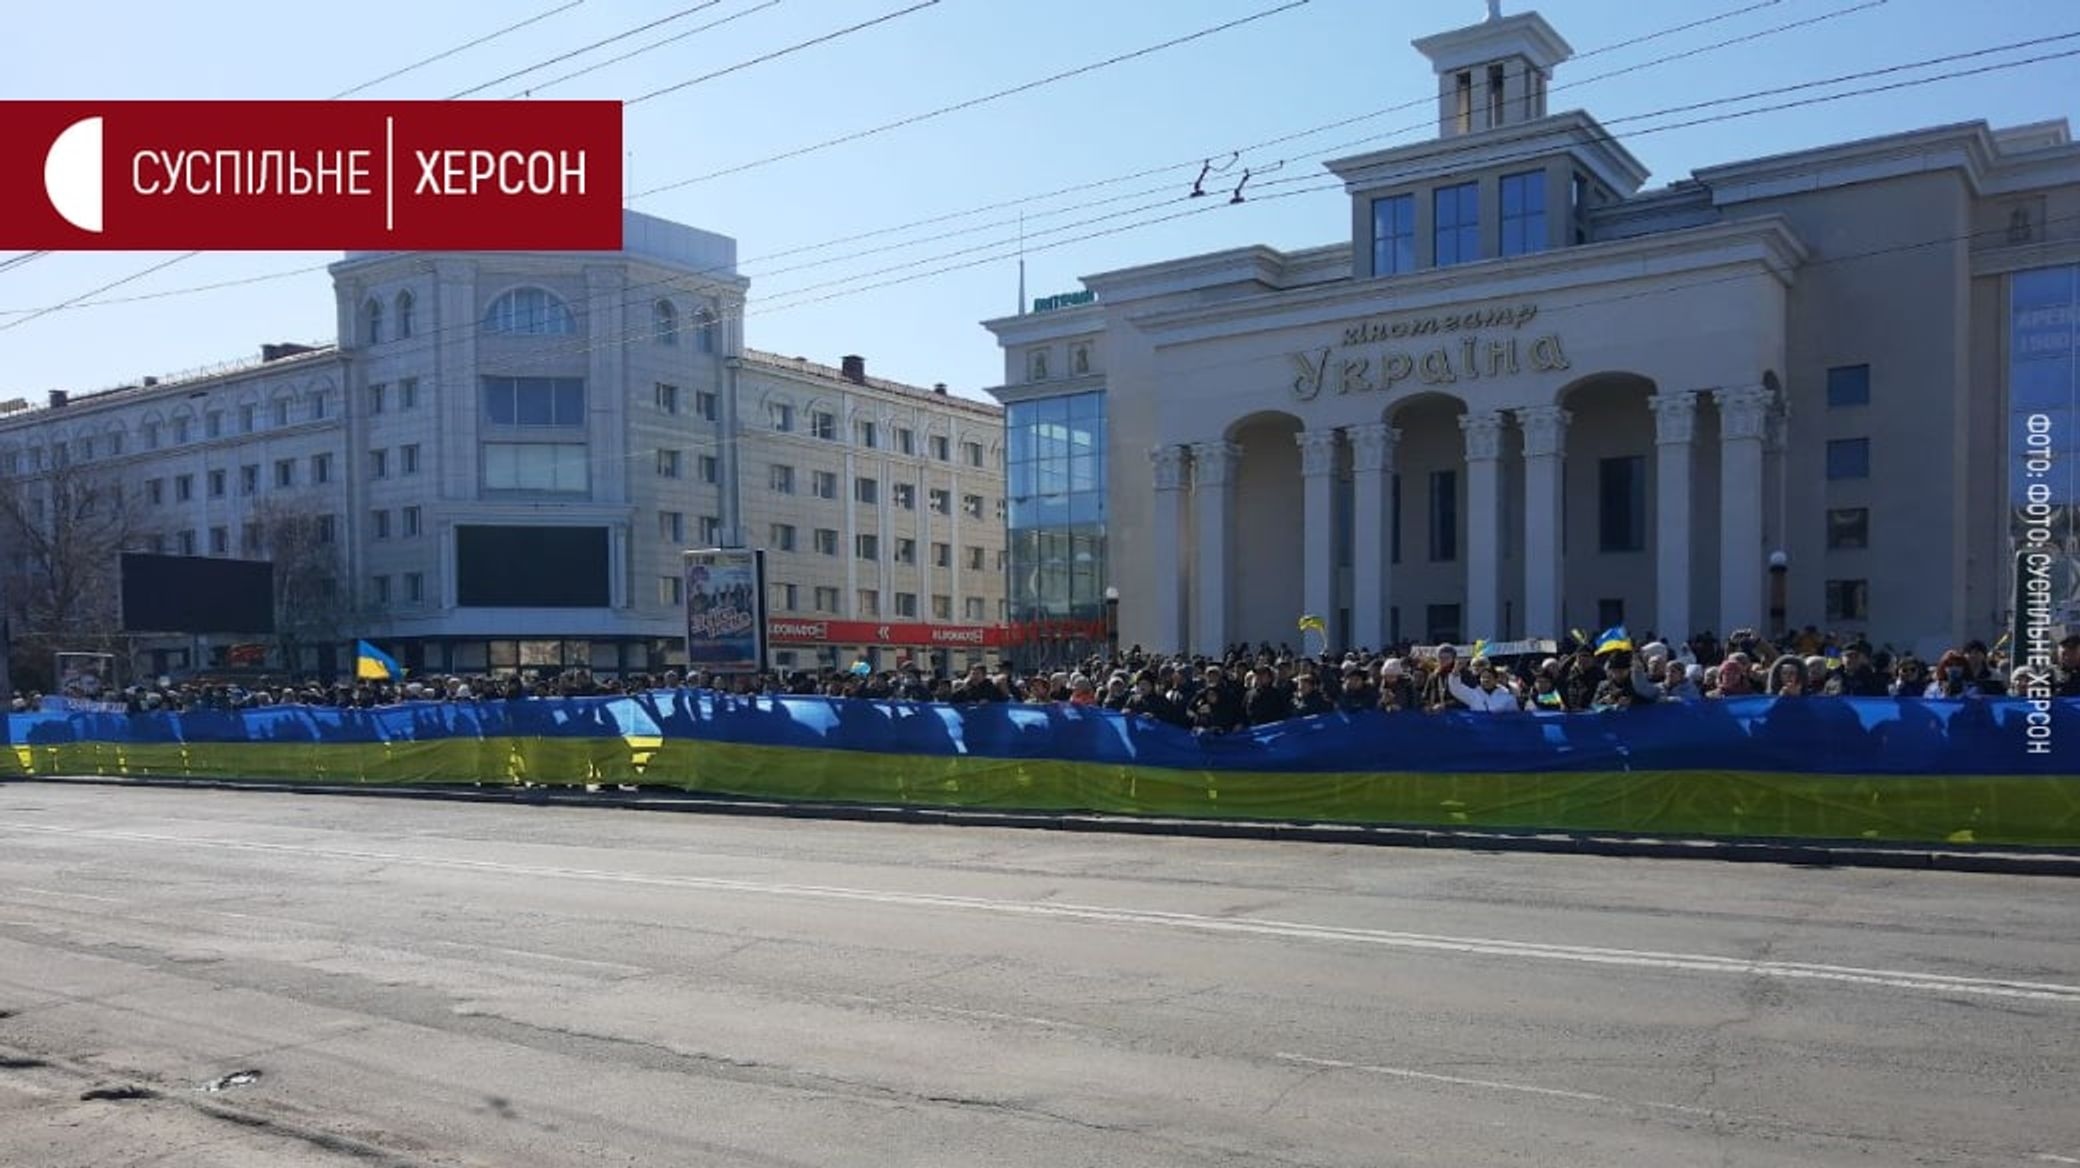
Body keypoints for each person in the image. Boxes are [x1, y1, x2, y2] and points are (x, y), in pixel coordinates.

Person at [1446, 659, 1521, 712]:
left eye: (1489, 677)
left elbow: (1514, 717)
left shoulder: (1508, 697)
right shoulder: (1473, 694)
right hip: (1479, 729)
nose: (1486, 680)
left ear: (1496, 680)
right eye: (1483, 677)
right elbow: (1456, 688)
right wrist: (1456, 671)